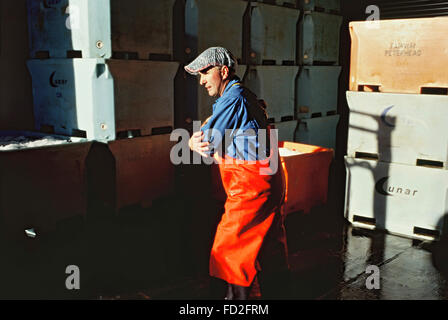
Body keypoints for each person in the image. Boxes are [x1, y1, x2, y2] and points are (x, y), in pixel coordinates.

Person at [185, 47, 290, 300]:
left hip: (251, 186)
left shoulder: (234, 98)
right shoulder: (237, 96)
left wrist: (190, 143)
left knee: (230, 248)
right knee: (267, 244)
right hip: (266, 179)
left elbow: (207, 142)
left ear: (223, 71)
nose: (201, 80)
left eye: (205, 72)